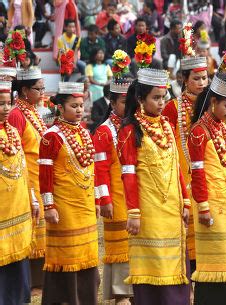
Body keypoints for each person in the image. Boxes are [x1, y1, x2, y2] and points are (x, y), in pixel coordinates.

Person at [117, 68, 190, 305]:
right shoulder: (129, 130)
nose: (161, 103)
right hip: (147, 211)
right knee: (153, 262)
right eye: (156, 98)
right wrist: (134, 213)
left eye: (164, 97)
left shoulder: (167, 126)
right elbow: (128, 175)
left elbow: (176, 165)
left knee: (175, 263)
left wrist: (186, 200)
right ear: (140, 99)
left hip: (172, 207)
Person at [39, 82, 99, 305]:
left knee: (88, 254)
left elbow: (91, 170)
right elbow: (44, 173)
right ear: (60, 108)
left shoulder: (83, 132)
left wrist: (96, 198)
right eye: (73, 106)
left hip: (84, 204)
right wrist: (49, 206)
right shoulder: (51, 136)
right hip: (63, 207)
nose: (79, 110)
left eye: (81, 105)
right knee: (67, 256)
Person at [188, 72, 226, 305]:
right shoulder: (198, 132)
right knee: (216, 259)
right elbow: (198, 172)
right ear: (214, 102)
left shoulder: (224, 128)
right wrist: (203, 206)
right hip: (210, 206)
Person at [162, 24, 208, 273]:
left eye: (205, 78)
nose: (202, 83)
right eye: (197, 78)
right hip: (181, 174)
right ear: (183, 80)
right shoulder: (172, 107)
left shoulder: (212, 106)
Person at [92, 78, 133, 305]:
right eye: (124, 102)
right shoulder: (103, 131)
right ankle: (121, 293)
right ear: (112, 102)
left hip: (135, 196)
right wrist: (104, 198)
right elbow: (100, 169)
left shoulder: (133, 126)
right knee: (119, 246)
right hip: (116, 198)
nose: (128, 107)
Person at [8, 68, 46, 297]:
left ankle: (40, 280)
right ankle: (33, 282)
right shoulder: (16, 115)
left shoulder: (32, 111)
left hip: (39, 177)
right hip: (28, 179)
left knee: (42, 228)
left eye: (43, 88)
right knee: (33, 226)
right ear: (24, 91)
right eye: (38, 88)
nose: (42, 92)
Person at [0, 80, 33, 305]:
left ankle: (18, 298)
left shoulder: (12, 131)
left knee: (19, 253)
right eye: (0, 104)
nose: (5, 108)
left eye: (8, 103)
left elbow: (24, 168)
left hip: (18, 204)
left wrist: (32, 199)